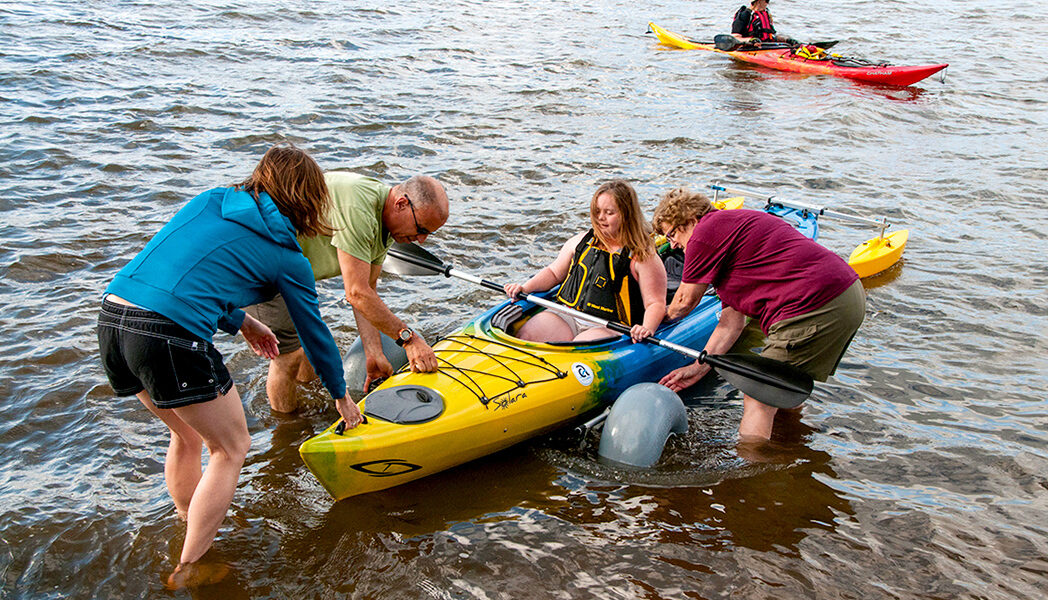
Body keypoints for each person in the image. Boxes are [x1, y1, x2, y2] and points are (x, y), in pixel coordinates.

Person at [97, 144, 363, 589]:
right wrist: (342, 396)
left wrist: (240, 320)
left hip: (113, 315)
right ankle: (191, 566)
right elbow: (314, 333)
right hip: (167, 334)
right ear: (308, 198)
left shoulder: (210, 201)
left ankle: (192, 522)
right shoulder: (287, 254)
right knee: (231, 448)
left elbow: (183, 272)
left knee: (185, 434)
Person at [652, 187, 865, 441]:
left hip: (816, 303)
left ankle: (749, 472)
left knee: (758, 395)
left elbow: (684, 302)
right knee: (784, 388)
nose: (672, 244)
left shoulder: (706, 231)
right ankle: (792, 446)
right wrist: (699, 367)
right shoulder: (731, 230)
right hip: (847, 296)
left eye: (672, 233)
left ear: (689, 219)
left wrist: (650, 318)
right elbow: (731, 324)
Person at [244, 171, 450, 410]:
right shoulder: (360, 209)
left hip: (291, 269)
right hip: (260, 257)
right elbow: (356, 293)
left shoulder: (385, 222)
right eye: (421, 228)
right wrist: (409, 339)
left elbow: (367, 290)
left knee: (312, 343)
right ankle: (287, 432)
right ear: (401, 204)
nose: (421, 240)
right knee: (288, 355)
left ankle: (308, 403)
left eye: (428, 234)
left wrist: (373, 353)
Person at [504, 180, 667, 343]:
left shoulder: (643, 257)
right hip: (568, 314)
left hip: (609, 326)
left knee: (578, 348)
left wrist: (647, 328)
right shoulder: (580, 242)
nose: (601, 218)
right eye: (597, 211)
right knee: (527, 336)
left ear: (626, 215)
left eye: (609, 213)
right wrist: (525, 287)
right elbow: (553, 273)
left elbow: (655, 303)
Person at [731, 0, 798, 47]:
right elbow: (735, 38)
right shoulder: (745, 15)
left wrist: (787, 40)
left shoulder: (766, 14)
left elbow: (771, 35)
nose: (768, 3)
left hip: (767, 46)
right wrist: (750, 40)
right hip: (751, 48)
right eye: (767, 0)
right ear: (759, 1)